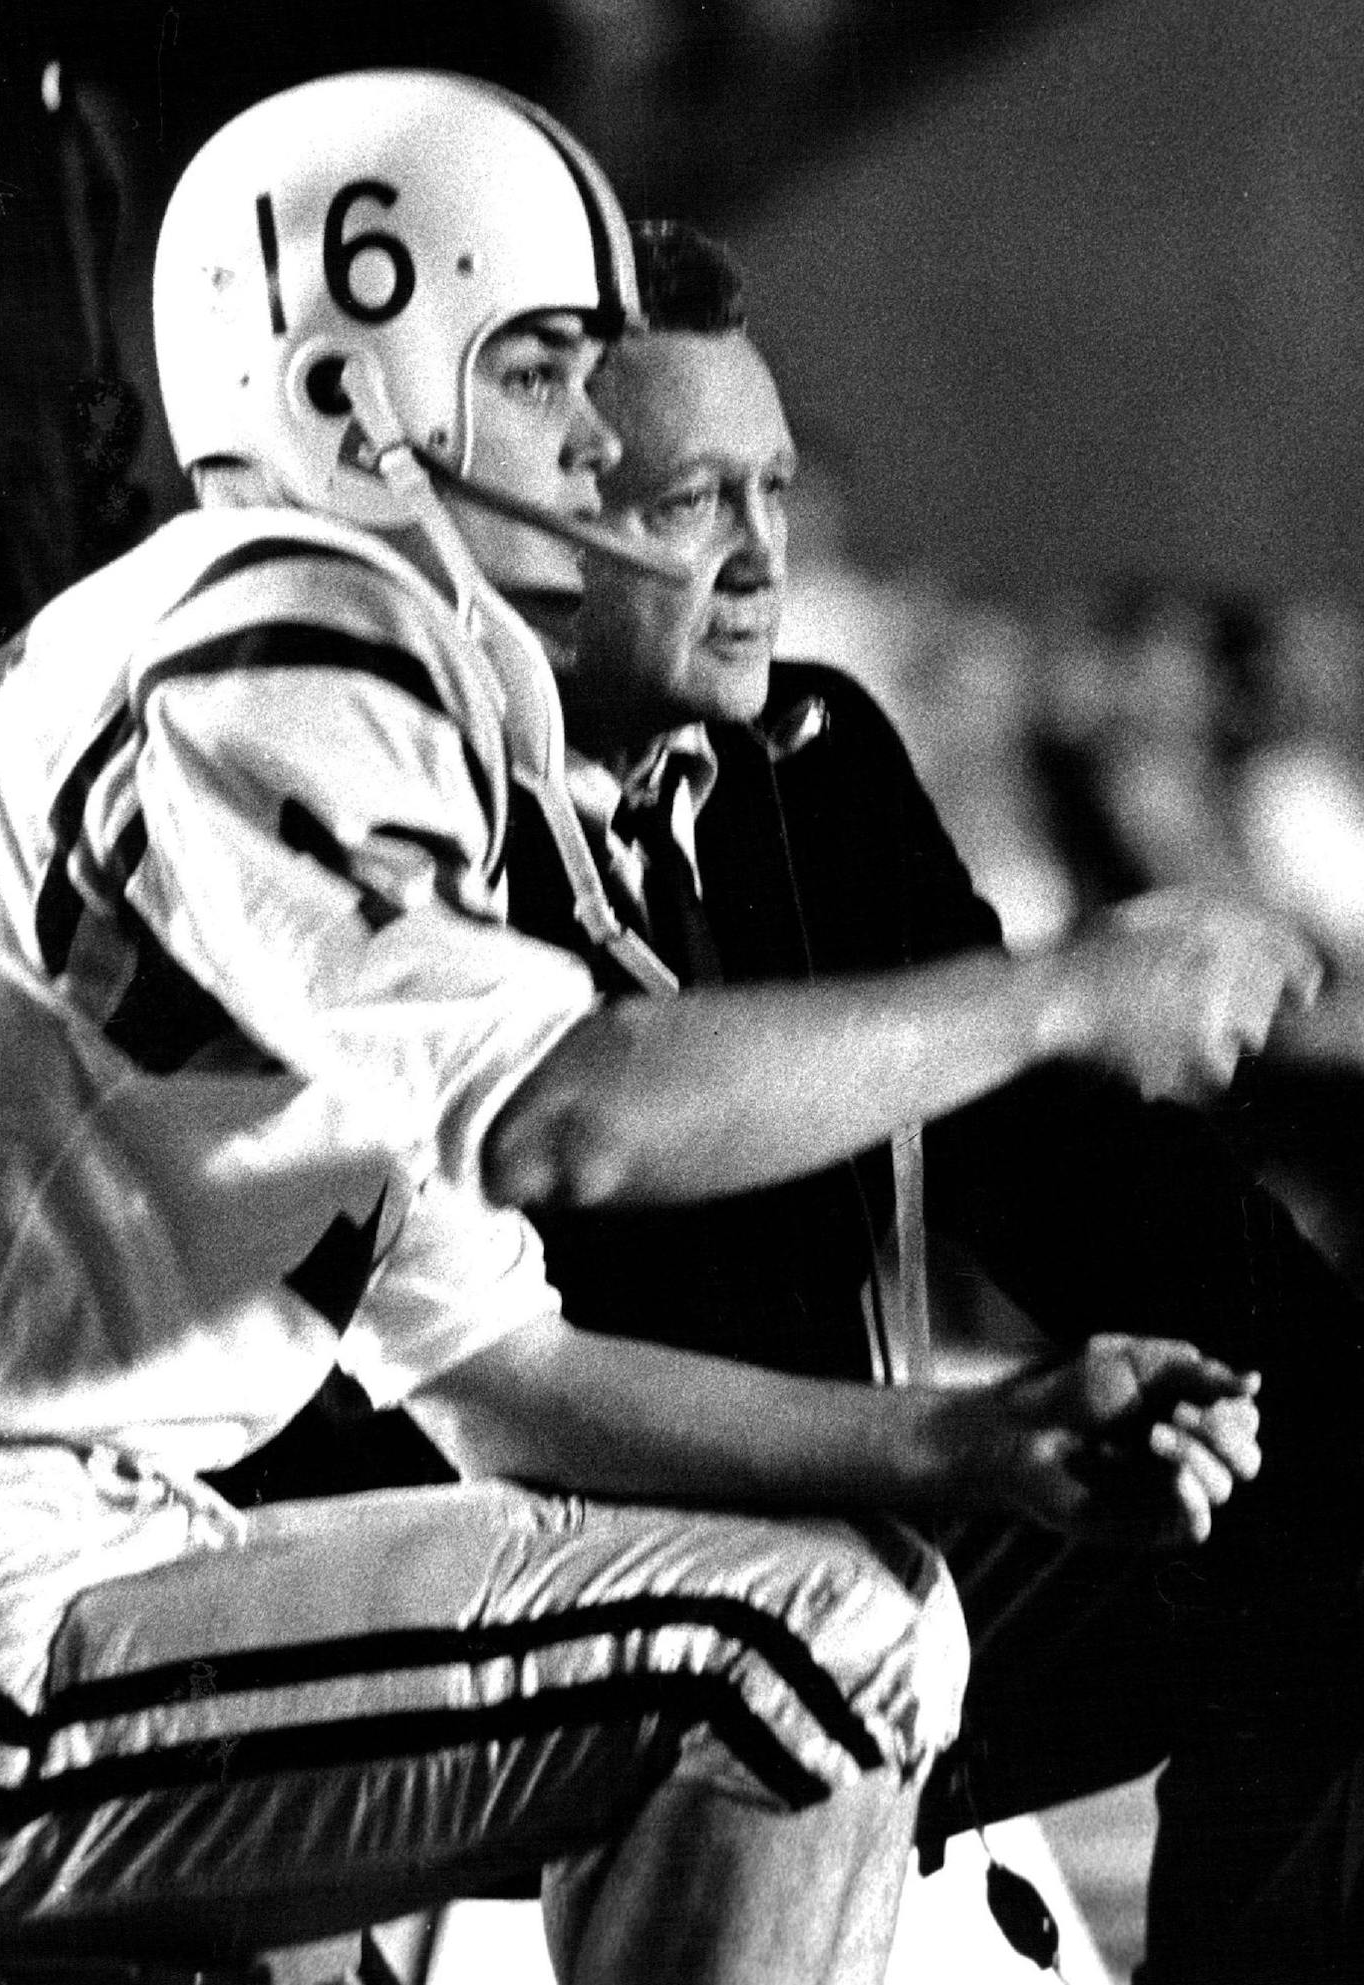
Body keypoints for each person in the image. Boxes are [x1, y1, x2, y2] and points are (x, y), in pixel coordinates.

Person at [0, 75, 1308, 1985]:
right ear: (348, 409)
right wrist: (1064, 991)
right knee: (792, 1659)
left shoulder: (393, 734)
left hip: (112, 1558)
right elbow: (564, 1123)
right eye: (542, 376)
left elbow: (499, 1366)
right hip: (6, 1585)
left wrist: (979, 1439)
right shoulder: (279, 630)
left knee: (838, 1620)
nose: (589, 444)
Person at [470, 219, 1364, 1984]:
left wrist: (1312, 1378)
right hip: (542, 1630)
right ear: (533, 527)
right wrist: (1058, 994)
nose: (758, 560)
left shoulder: (812, 762)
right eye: (685, 504)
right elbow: (569, 1152)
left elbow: (1058, 1157)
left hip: (878, 1547)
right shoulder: (418, 816)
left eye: (776, 492)